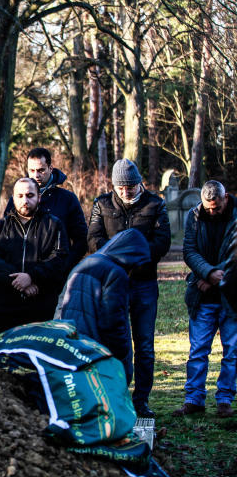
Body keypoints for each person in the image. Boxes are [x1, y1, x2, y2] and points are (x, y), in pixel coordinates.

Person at [88, 158, 171, 418]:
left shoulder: (155, 204)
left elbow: (162, 242)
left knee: (144, 344)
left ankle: (142, 399)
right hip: (113, 284)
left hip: (144, 283)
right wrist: (115, 258)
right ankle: (117, 396)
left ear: (139, 183)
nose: (126, 191)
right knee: (115, 341)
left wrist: (136, 257)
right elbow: (93, 238)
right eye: (121, 187)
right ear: (114, 185)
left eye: (131, 186)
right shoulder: (101, 204)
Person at [173, 181, 237, 418]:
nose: (212, 211)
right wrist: (208, 273)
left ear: (226, 198)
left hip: (232, 294)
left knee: (232, 350)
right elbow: (189, 251)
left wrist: (211, 276)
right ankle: (194, 398)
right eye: (208, 207)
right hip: (203, 295)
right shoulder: (194, 216)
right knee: (198, 349)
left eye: (217, 207)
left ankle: (225, 399)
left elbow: (235, 256)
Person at [56, 229, 151, 380]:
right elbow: (113, 322)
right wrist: (122, 358)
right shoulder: (116, 273)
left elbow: (61, 306)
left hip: (72, 345)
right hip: (98, 353)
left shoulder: (83, 264)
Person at [0, 178, 69, 336]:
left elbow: (59, 259)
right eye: (20, 195)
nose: (25, 200)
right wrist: (19, 281)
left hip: (42, 306)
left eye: (30, 195)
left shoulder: (54, 225)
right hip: (6, 307)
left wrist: (32, 277)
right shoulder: (1, 226)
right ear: (13, 198)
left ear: (39, 197)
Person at [3, 148, 88, 272]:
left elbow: (81, 240)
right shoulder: (16, 199)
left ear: (50, 168)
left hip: (56, 275)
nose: (36, 175)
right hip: (21, 273)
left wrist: (65, 266)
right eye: (32, 170)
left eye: (41, 170)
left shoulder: (67, 199)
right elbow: (6, 236)